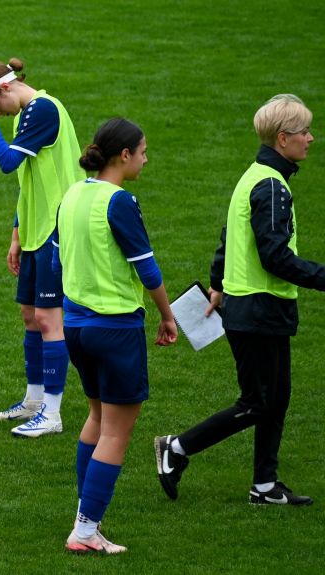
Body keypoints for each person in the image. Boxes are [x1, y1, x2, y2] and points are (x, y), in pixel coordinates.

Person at [156, 94, 324, 507]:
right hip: (258, 310)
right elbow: (274, 256)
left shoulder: (255, 175)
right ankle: (176, 447)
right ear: (283, 138)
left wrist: (217, 282)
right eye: (304, 132)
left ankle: (264, 486)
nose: (311, 138)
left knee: (275, 399)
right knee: (257, 402)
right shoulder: (271, 185)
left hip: (258, 308)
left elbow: (229, 235)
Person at [54, 119, 178, 555]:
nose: (146, 159)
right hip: (116, 330)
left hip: (75, 328)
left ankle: (86, 517)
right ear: (123, 155)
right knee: (116, 433)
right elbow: (147, 269)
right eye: (142, 152)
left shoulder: (72, 194)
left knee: (97, 417)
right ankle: (85, 531)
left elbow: (56, 260)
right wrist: (167, 316)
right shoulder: (119, 201)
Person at [0, 58, 82, 437]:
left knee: (50, 320)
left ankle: (52, 413)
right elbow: (27, 180)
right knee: (31, 316)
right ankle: (34, 401)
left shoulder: (43, 110)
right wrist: (17, 234)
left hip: (56, 229)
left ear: (3, 88)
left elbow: (7, 162)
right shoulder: (26, 115)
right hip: (36, 231)